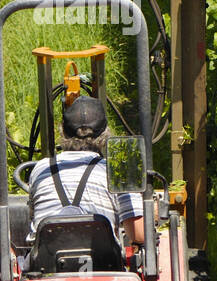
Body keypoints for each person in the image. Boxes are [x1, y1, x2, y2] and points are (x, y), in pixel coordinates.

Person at [27, 95, 146, 247]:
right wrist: (152, 213)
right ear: (105, 133)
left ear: (62, 131)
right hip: (103, 263)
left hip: (47, 264)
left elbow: (33, 219)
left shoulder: (41, 168)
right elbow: (138, 234)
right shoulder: (117, 170)